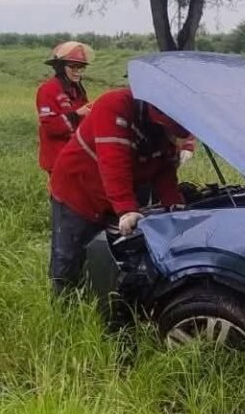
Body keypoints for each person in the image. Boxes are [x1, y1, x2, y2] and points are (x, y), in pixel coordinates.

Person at [48, 86, 193, 297]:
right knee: (69, 260)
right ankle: (64, 312)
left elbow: (165, 169)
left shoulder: (162, 126)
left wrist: (174, 204)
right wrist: (126, 208)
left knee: (118, 259)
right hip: (79, 191)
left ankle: (106, 308)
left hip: (118, 194)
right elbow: (114, 162)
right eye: (170, 132)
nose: (172, 138)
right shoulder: (115, 105)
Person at [36, 41, 95, 174]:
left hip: (76, 156)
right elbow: (50, 126)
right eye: (73, 67)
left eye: (81, 67)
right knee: (60, 195)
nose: (77, 72)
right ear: (61, 67)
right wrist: (77, 114)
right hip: (57, 158)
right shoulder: (48, 89)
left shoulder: (77, 89)